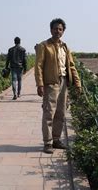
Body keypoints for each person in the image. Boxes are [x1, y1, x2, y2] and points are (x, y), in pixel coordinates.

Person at [34, 18, 81, 154]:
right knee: (49, 112)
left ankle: (56, 139)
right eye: (55, 29)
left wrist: (77, 83)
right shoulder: (44, 46)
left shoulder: (65, 47)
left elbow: (71, 66)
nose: (57, 31)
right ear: (51, 30)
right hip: (51, 83)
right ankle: (47, 142)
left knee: (60, 112)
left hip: (63, 82)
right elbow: (38, 66)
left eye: (60, 29)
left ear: (63, 31)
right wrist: (40, 84)